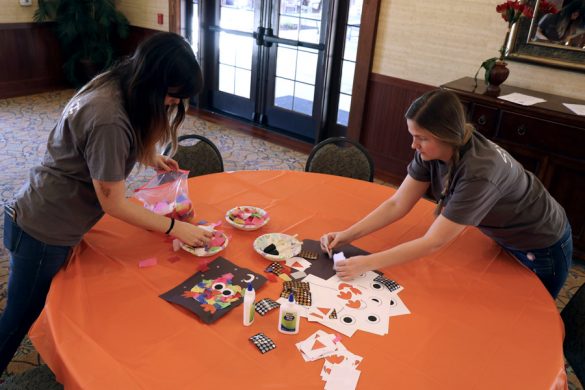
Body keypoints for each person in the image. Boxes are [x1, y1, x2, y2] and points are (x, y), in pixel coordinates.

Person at [0, 32, 212, 373]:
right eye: (172, 98)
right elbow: (114, 203)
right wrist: (176, 228)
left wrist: (149, 155)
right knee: (17, 319)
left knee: (46, 307)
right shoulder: (108, 118)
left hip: (51, 213)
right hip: (42, 229)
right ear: (153, 83)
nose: (174, 106)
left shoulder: (120, 80)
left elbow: (101, 148)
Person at [321, 90, 573, 299]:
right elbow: (398, 203)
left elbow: (434, 241)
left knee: (525, 320)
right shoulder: (431, 151)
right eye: (412, 136)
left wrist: (367, 262)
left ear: (447, 136)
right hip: (501, 233)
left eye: (421, 138)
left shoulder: (480, 172)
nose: (413, 145)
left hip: (541, 245)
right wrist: (347, 234)